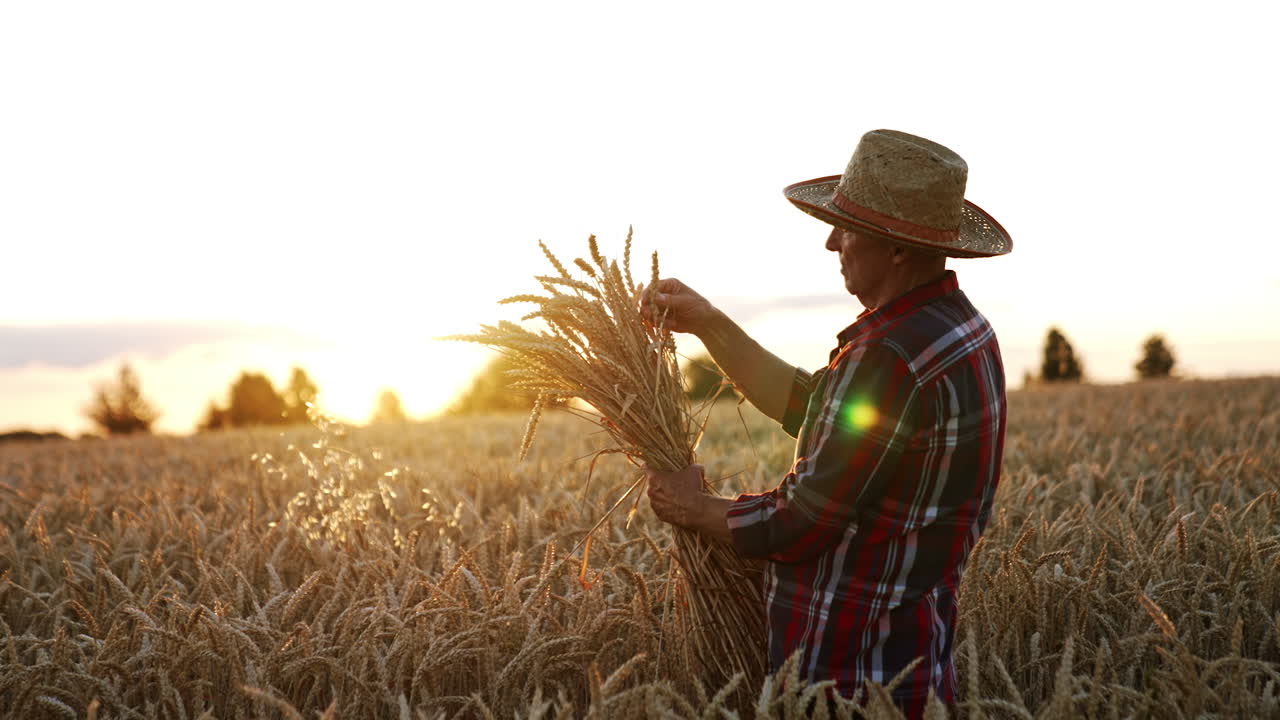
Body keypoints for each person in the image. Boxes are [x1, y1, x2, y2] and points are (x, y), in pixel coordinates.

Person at [642, 129, 1011, 718]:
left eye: (847, 227)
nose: (832, 241)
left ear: (896, 248)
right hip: (914, 662)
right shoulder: (959, 330)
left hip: (851, 675)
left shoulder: (888, 356)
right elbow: (817, 407)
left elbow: (799, 521)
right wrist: (708, 323)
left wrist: (693, 507)